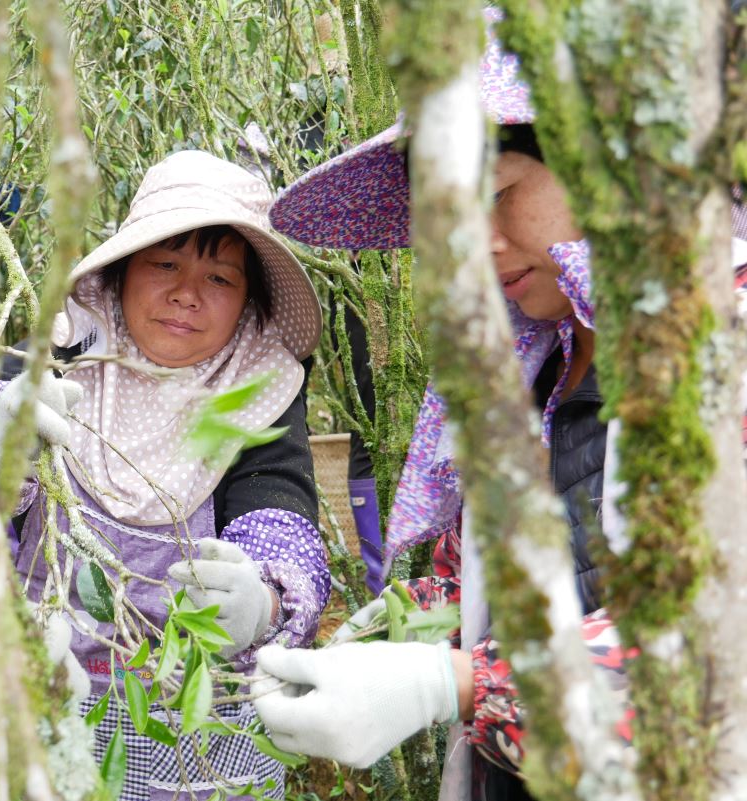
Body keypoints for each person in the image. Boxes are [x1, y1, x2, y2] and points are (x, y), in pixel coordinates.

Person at [250, 11, 747, 801]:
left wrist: (452, 684)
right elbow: (474, 576)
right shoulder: (535, 365)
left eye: (499, 193)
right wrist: (383, 632)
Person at [0, 150, 331, 801]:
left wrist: (262, 601)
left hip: (188, 721)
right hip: (43, 688)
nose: (187, 294)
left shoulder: (256, 389)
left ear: (247, 302)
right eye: (165, 263)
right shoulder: (52, 351)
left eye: (220, 278)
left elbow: (279, 513)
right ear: (121, 271)